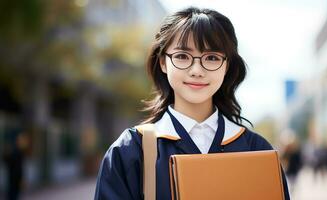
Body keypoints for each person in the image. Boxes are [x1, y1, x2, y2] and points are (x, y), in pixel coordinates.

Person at [94, 7, 290, 200]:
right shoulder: (130, 151)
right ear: (163, 62)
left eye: (212, 57)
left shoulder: (257, 150)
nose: (197, 70)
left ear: (226, 66)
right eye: (182, 56)